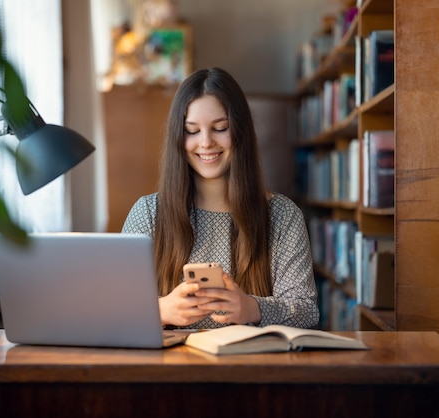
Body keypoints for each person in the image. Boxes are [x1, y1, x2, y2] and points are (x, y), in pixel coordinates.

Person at [122, 67, 319, 330]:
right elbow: (116, 309)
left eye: (220, 128)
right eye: (192, 131)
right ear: (178, 137)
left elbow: (307, 312)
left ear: (240, 132)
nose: (206, 142)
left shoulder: (282, 215)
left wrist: (252, 308)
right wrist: (161, 310)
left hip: (251, 367)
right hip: (171, 369)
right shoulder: (148, 212)